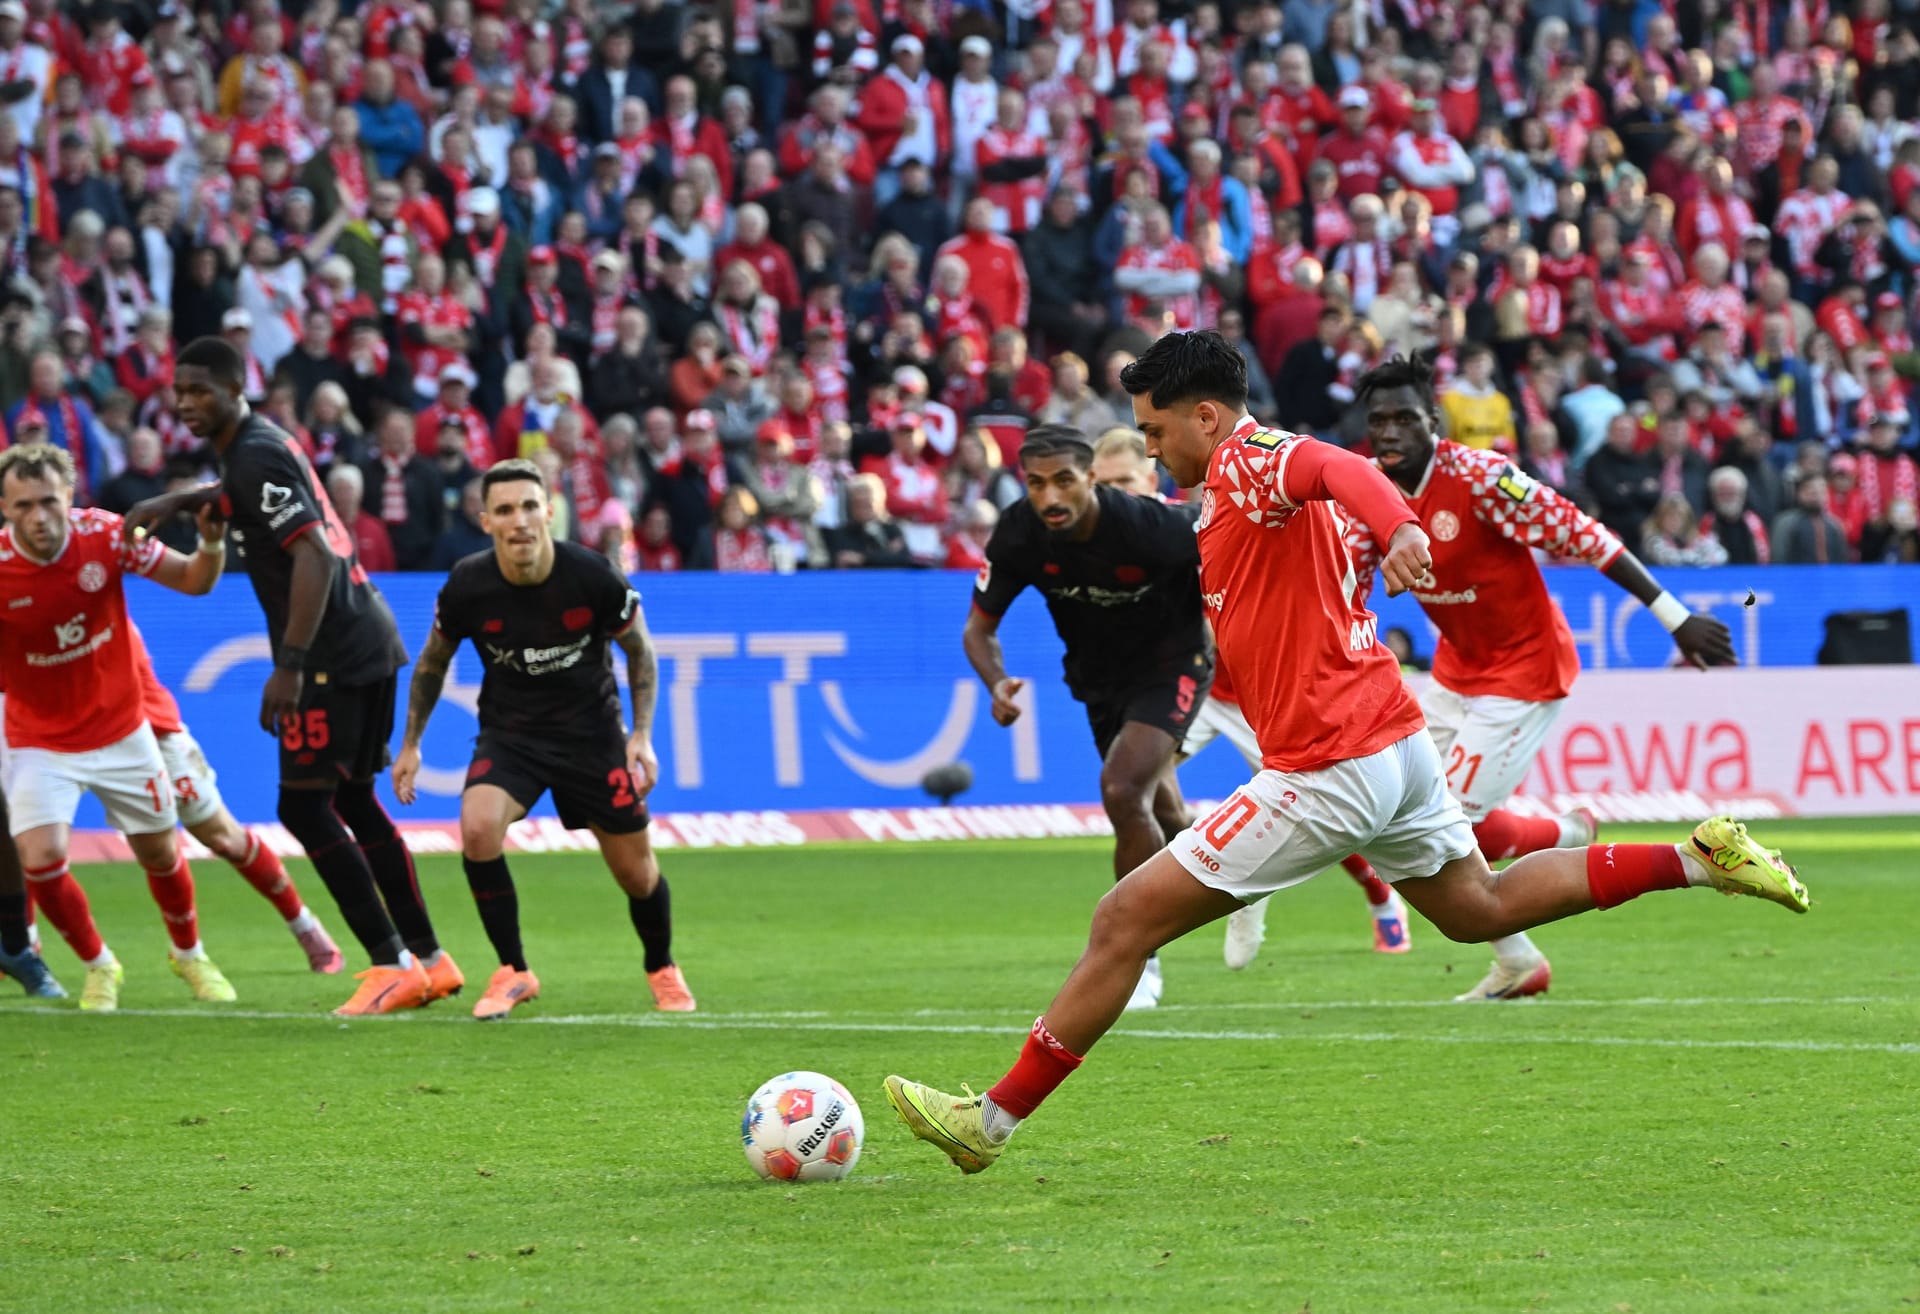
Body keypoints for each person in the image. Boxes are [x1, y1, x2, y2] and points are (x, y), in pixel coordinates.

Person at [883, 332, 1806, 1174]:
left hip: (1328, 764)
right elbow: (1322, 489)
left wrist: (1403, 526)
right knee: (1478, 907)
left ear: (1206, 416)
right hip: (1392, 744)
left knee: (1123, 920)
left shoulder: (1254, 460)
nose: (1152, 447)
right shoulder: (1230, 490)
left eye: (1156, 429)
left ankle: (988, 1123)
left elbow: (1332, 465)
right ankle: (1696, 859)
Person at [125, 337, 460, 1018]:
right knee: (356, 803)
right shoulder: (259, 444)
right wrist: (182, 502)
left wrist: (291, 664)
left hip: (332, 656)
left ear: (232, 386)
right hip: (368, 638)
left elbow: (310, 553)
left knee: (304, 807)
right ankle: (428, 958)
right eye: (178, 391)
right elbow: (246, 496)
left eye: (199, 390)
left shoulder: (253, 452)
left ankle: (388, 964)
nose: (186, 402)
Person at [1092, 429, 1414, 957]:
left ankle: (1380, 896)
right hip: (1196, 689)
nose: (1118, 496)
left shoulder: (1201, 521)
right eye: (1105, 486)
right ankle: (1217, 876)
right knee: (1139, 780)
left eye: (1126, 481)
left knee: (1324, 812)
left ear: (1151, 479)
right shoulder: (1113, 544)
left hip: (1258, 693)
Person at [392, 459, 692, 1018]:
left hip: (593, 738)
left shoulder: (593, 575)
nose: (520, 521)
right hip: (512, 738)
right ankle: (513, 970)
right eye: (505, 510)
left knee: (636, 872)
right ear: (487, 522)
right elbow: (432, 662)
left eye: (530, 507)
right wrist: (411, 743)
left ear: (549, 513)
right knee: (478, 828)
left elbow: (641, 652)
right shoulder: (467, 585)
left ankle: (661, 965)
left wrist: (642, 735)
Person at [965, 424, 1214, 1011]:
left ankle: (1140, 958)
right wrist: (997, 682)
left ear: (1091, 479)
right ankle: (1229, 870)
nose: (1050, 498)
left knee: (1122, 791)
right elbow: (979, 629)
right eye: (1035, 484)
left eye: (1064, 482)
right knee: (1163, 809)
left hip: (1174, 664)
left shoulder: (1150, 526)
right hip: (1100, 681)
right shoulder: (1019, 535)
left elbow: (1232, 547)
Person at [0, 444, 235, 1012]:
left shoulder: (105, 536)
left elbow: (193, 581)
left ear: (70, 498)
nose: (39, 516)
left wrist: (211, 541)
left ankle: (189, 953)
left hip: (122, 730)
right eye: (24, 504)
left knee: (160, 854)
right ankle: (98, 965)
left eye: (50, 501)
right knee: (40, 858)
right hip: (39, 739)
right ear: (5, 509)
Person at [132, 627, 343, 974]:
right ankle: (21, 945)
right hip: (51, 735)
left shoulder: (102, 610)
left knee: (222, 837)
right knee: (31, 835)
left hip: (148, 732)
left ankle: (304, 925)